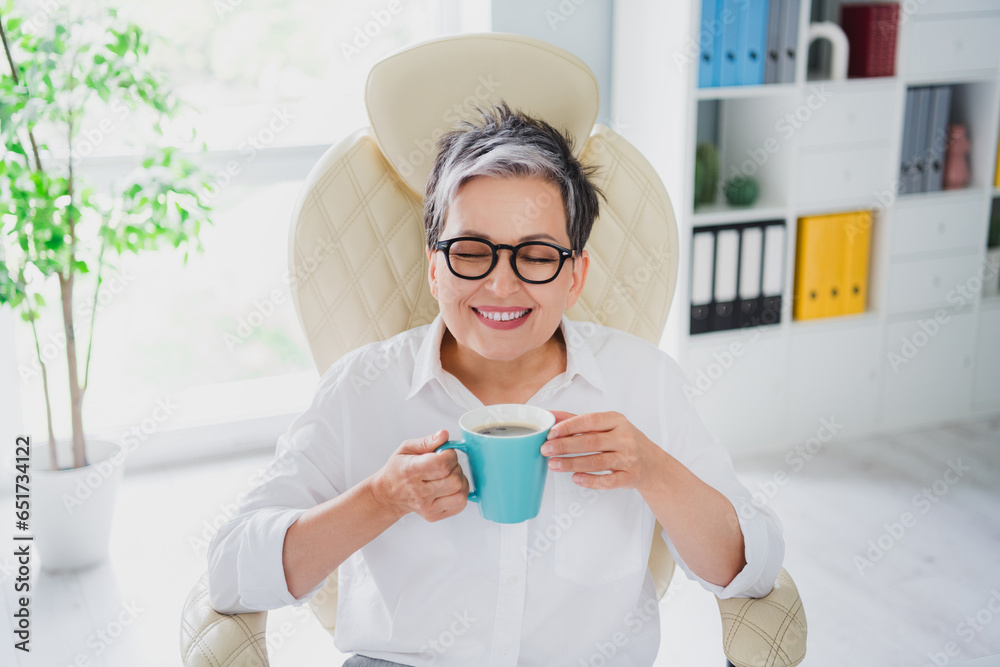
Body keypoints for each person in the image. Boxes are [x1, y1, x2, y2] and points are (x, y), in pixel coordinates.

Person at [206, 101, 785, 667]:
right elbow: (231, 573)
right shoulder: (362, 387)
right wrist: (381, 500)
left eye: (535, 255)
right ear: (434, 268)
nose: (502, 286)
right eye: (471, 252)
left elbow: (751, 568)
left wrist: (653, 470)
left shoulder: (643, 380)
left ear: (575, 275)